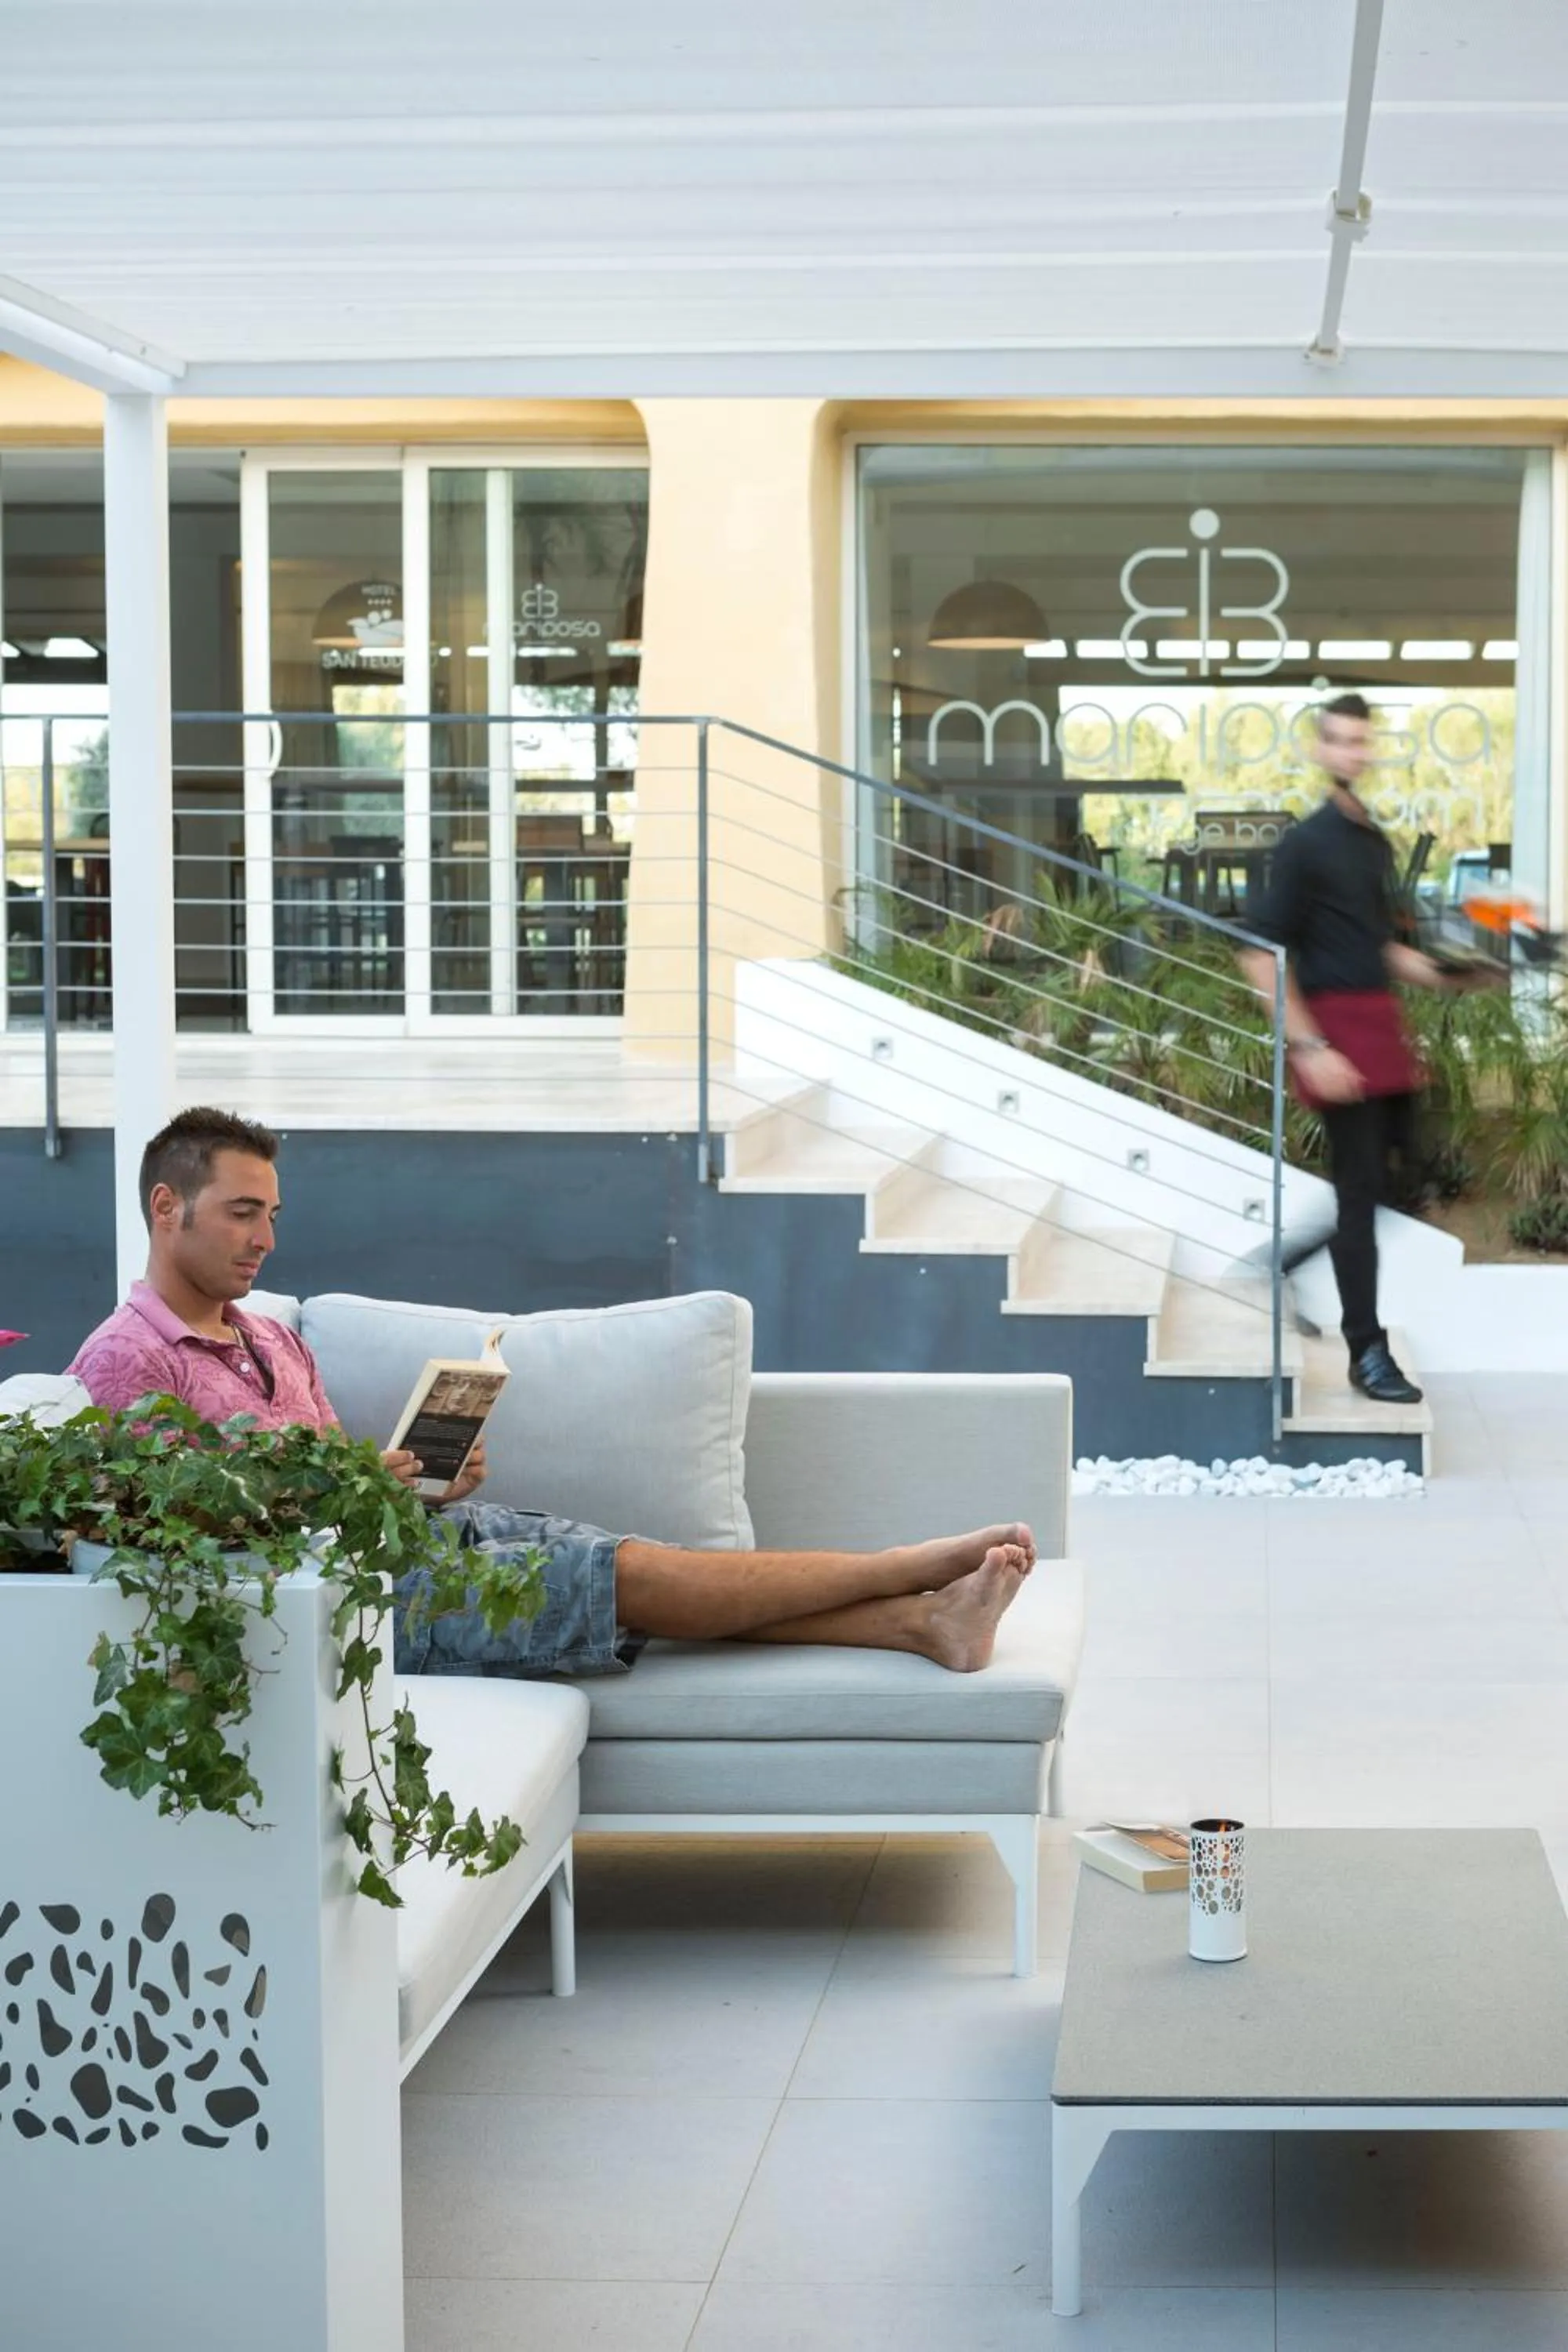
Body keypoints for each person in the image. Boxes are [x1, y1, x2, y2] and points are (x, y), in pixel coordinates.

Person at [69, 1108, 1035, 1679]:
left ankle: (923, 1623)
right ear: (167, 1207)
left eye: (271, 1215)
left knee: (639, 1568)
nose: (264, 1238)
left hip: (414, 1545)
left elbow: (324, 1481)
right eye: (243, 1214)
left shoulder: (271, 1337)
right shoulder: (123, 1365)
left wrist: (414, 1480)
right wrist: (346, 1489)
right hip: (350, 1604)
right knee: (641, 1581)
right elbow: (159, 1541)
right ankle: (905, 1568)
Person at [1238, 692, 1487, 1406]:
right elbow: (1259, 953)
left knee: (1401, 1182)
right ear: (1321, 750)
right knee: (1359, 1196)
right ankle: (1366, 1351)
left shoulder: (1372, 841)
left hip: (1379, 1022)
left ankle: (1283, 1265)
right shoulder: (1306, 843)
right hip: (1333, 1029)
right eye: (1340, 741)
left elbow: (1380, 947)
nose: (1353, 752)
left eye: (1362, 741)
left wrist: (1451, 977)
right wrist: (1311, 1045)